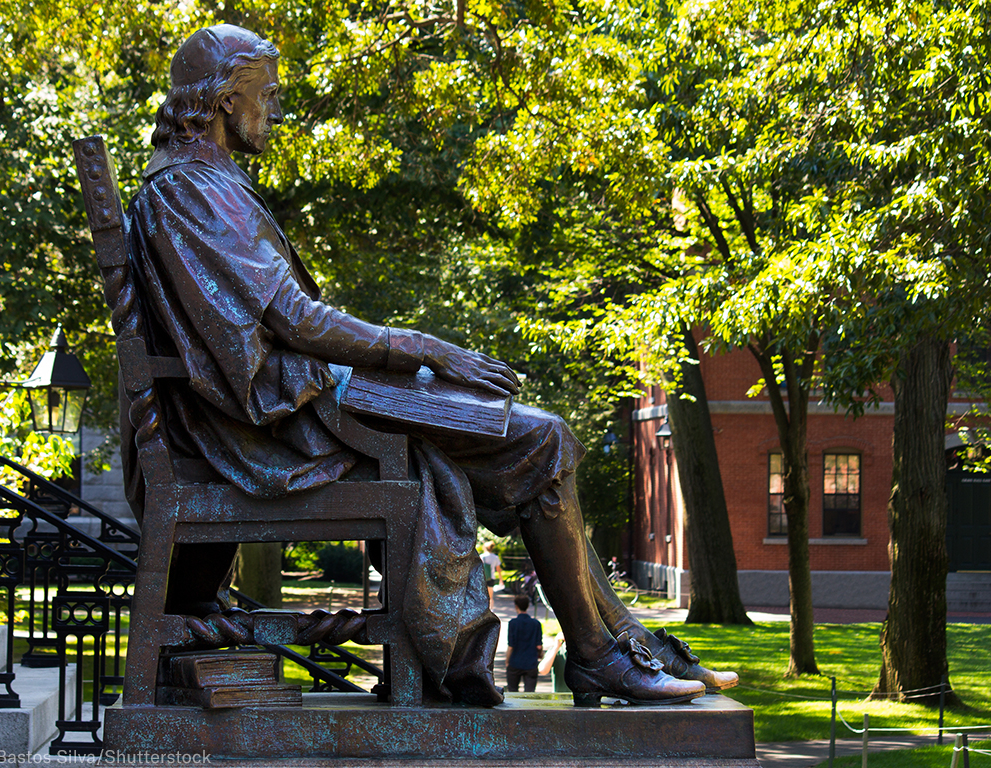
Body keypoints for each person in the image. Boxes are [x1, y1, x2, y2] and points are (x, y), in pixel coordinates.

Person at [124, 23, 737, 709]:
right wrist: (428, 349)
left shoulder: (203, 185)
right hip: (276, 430)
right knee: (542, 437)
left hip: (298, 412)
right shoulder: (191, 191)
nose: (275, 109)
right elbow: (293, 319)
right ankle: (601, 654)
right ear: (224, 100)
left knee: (541, 441)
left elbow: (278, 321)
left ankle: (620, 649)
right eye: (265, 94)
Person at [505, 595, 544, 692]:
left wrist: (507, 661)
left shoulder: (513, 623)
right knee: (530, 693)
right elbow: (539, 646)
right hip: (531, 663)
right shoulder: (536, 623)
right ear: (527, 606)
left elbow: (511, 646)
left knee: (513, 691)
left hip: (515, 662)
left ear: (516, 606)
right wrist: (541, 656)